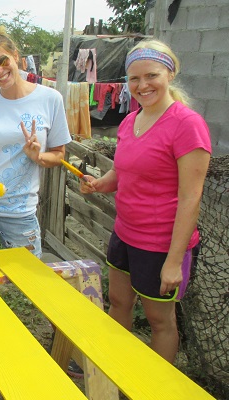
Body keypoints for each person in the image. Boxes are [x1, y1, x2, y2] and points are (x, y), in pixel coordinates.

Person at [79, 39, 211, 364]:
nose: (142, 85)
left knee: (159, 320)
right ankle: (115, 367)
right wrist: (99, 184)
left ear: (170, 74)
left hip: (161, 244)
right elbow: (123, 173)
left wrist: (173, 260)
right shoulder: (130, 120)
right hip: (124, 234)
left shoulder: (187, 125)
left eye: (151, 75)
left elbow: (190, 199)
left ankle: (154, 390)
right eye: (134, 79)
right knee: (118, 302)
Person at [0, 26, 71, 388]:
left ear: (16, 57)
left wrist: (41, 155)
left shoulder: (50, 99)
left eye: (2, 61)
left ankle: (59, 352)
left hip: (20, 208)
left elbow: (59, 156)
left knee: (33, 283)